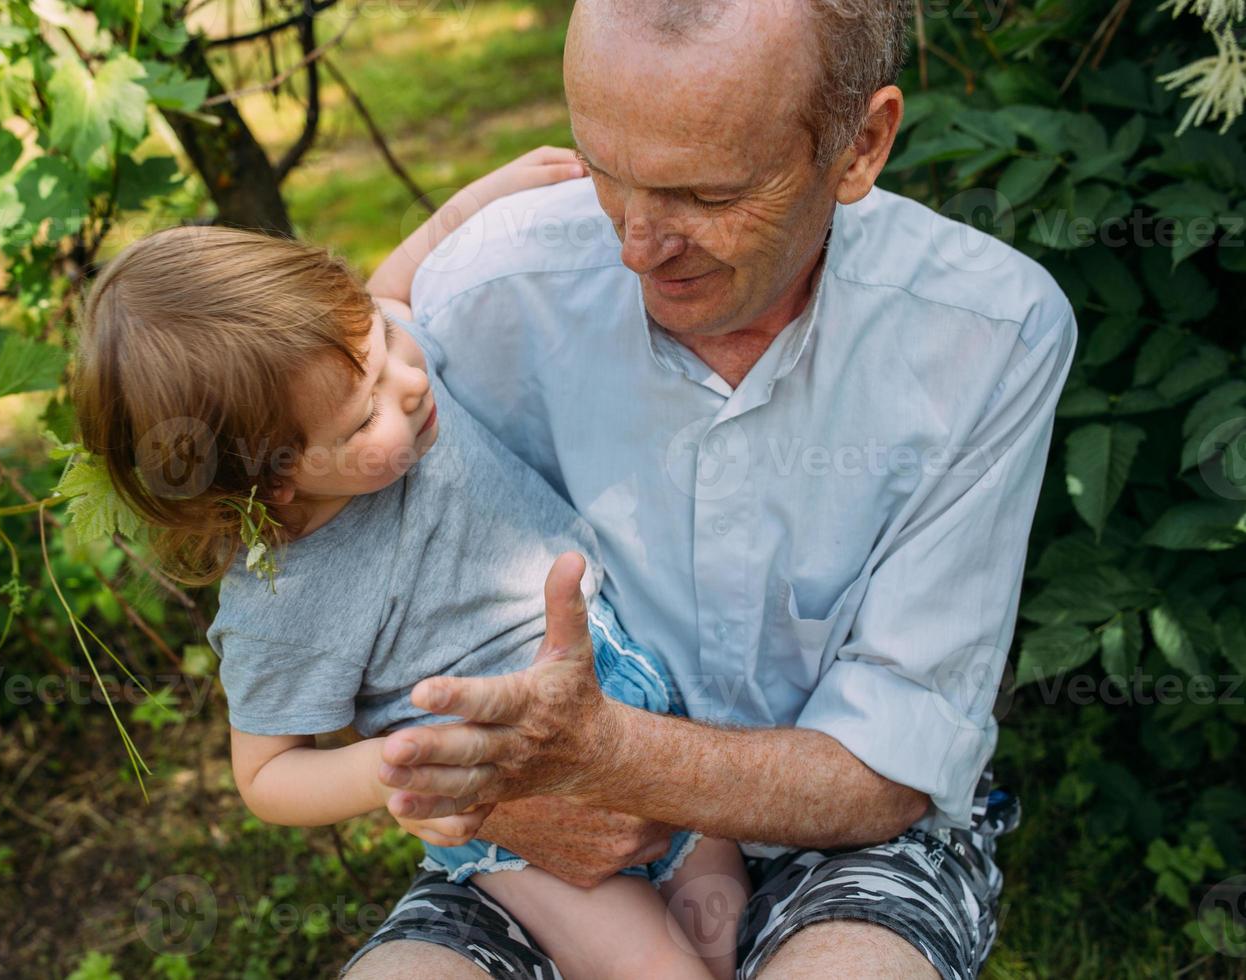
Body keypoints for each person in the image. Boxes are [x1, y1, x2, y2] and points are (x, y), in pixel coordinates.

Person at [346, 0, 1078, 978]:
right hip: (546, 830)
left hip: (857, 840)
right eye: (605, 170)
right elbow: (339, 573)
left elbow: (890, 769)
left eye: (706, 192)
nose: (638, 244)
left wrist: (606, 753)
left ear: (861, 144)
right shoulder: (484, 290)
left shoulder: (991, 333)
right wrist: (511, 795)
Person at [69, 151, 753, 980]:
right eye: (363, 420)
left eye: (384, 342)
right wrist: (396, 769)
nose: (408, 382)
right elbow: (266, 775)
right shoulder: (286, 598)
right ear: (274, 484)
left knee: (720, 929)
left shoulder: (372, 369)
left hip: (632, 702)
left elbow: (394, 281)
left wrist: (484, 193)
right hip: (511, 800)